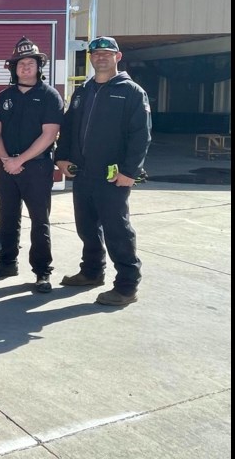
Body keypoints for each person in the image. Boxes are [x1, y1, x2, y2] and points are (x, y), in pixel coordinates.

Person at [55, 36, 151, 306]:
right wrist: (61, 157)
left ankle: (126, 286)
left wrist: (130, 172)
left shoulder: (131, 92)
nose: (101, 58)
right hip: (83, 174)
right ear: (90, 58)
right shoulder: (83, 92)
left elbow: (140, 136)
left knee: (117, 230)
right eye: (96, 54)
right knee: (86, 228)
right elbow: (69, 128)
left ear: (117, 57)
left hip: (113, 177)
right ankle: (91, 272)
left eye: (107, 54)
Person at [0, 37, 65, 292]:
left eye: (30, 63)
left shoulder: (50, 96)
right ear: (13, 68)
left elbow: (49, 134)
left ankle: (42, 272)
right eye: (20, 64)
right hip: (7, 166)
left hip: (37, 168)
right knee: (6, 218)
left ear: (39, 66)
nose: (25, 67)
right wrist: (7, 160)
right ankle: (7, 262)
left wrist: (19, 160)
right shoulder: (4, 96)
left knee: (39, 221)